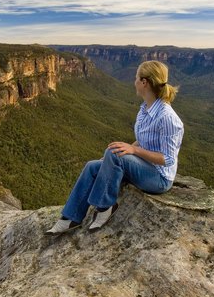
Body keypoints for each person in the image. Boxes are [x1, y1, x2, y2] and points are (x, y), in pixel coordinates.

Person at [46, 60, 184, 234]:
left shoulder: (168, 118)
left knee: (114, 153)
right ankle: (71, 218)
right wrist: (113, 159)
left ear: (144, 82)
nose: (133, 81)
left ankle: (105, 207)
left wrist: (132, 151)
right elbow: (142, 141)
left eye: (136, 78)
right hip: (142, 166)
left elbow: (168, 159)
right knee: (92, 166)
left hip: (159, 178)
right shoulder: (145, 109)